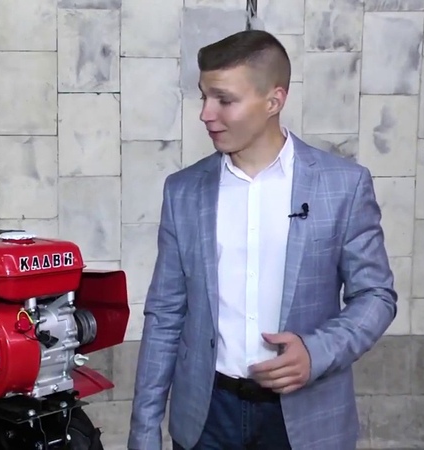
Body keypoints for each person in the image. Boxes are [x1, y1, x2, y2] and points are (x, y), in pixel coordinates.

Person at [127, 29, 397, 450]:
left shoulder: (344, 185)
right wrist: (144, 434)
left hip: (307, 420)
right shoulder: (183, 191)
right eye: (204, 96)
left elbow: (376, 296)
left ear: (274, 101)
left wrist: (316, 352)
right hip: (206, 418)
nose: (205, 114)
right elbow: (165, 315)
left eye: (224, 99)